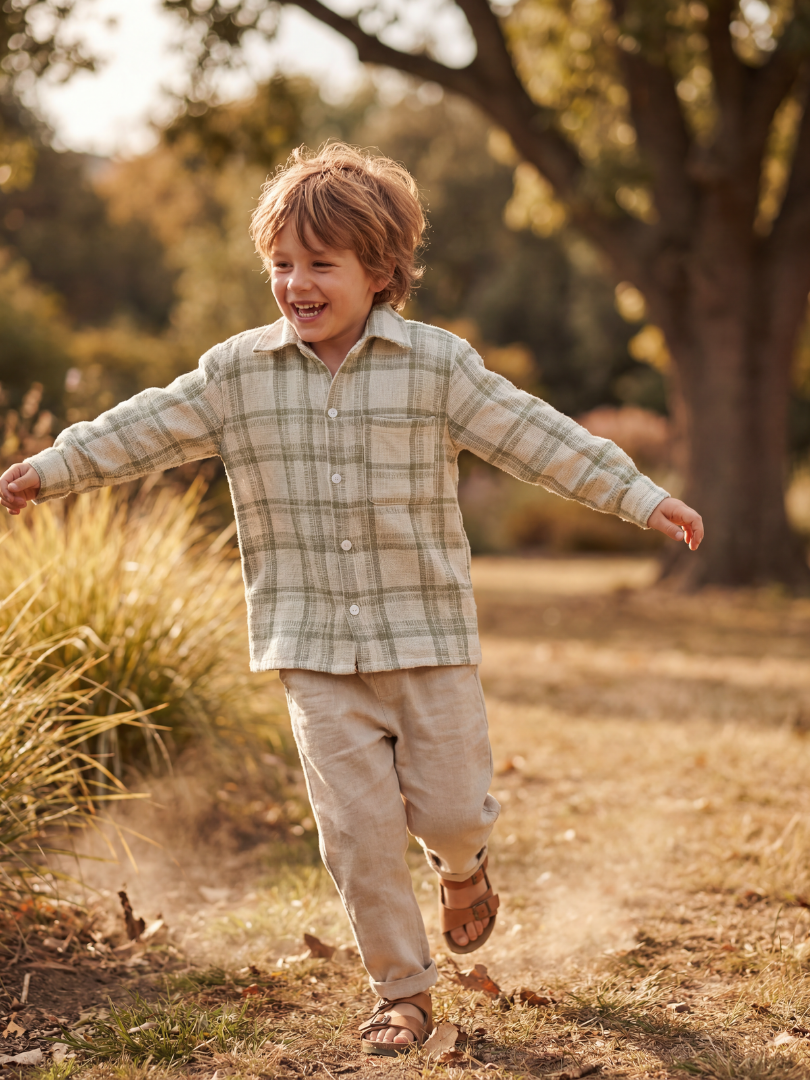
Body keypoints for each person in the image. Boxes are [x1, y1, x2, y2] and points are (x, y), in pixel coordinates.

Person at [0, 142, 704, 1056]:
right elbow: (143, 426)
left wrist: (639, 495)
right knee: (358, 835)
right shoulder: (235, 374)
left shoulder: (437, 366)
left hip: (428, 640)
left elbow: (537, 436)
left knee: (449, 810)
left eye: (319, 264)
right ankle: (402, 993)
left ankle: (464, 867)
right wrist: (47, 470)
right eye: (280, 264)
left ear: (381, 273)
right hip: (313, 649)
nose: (295, 283)